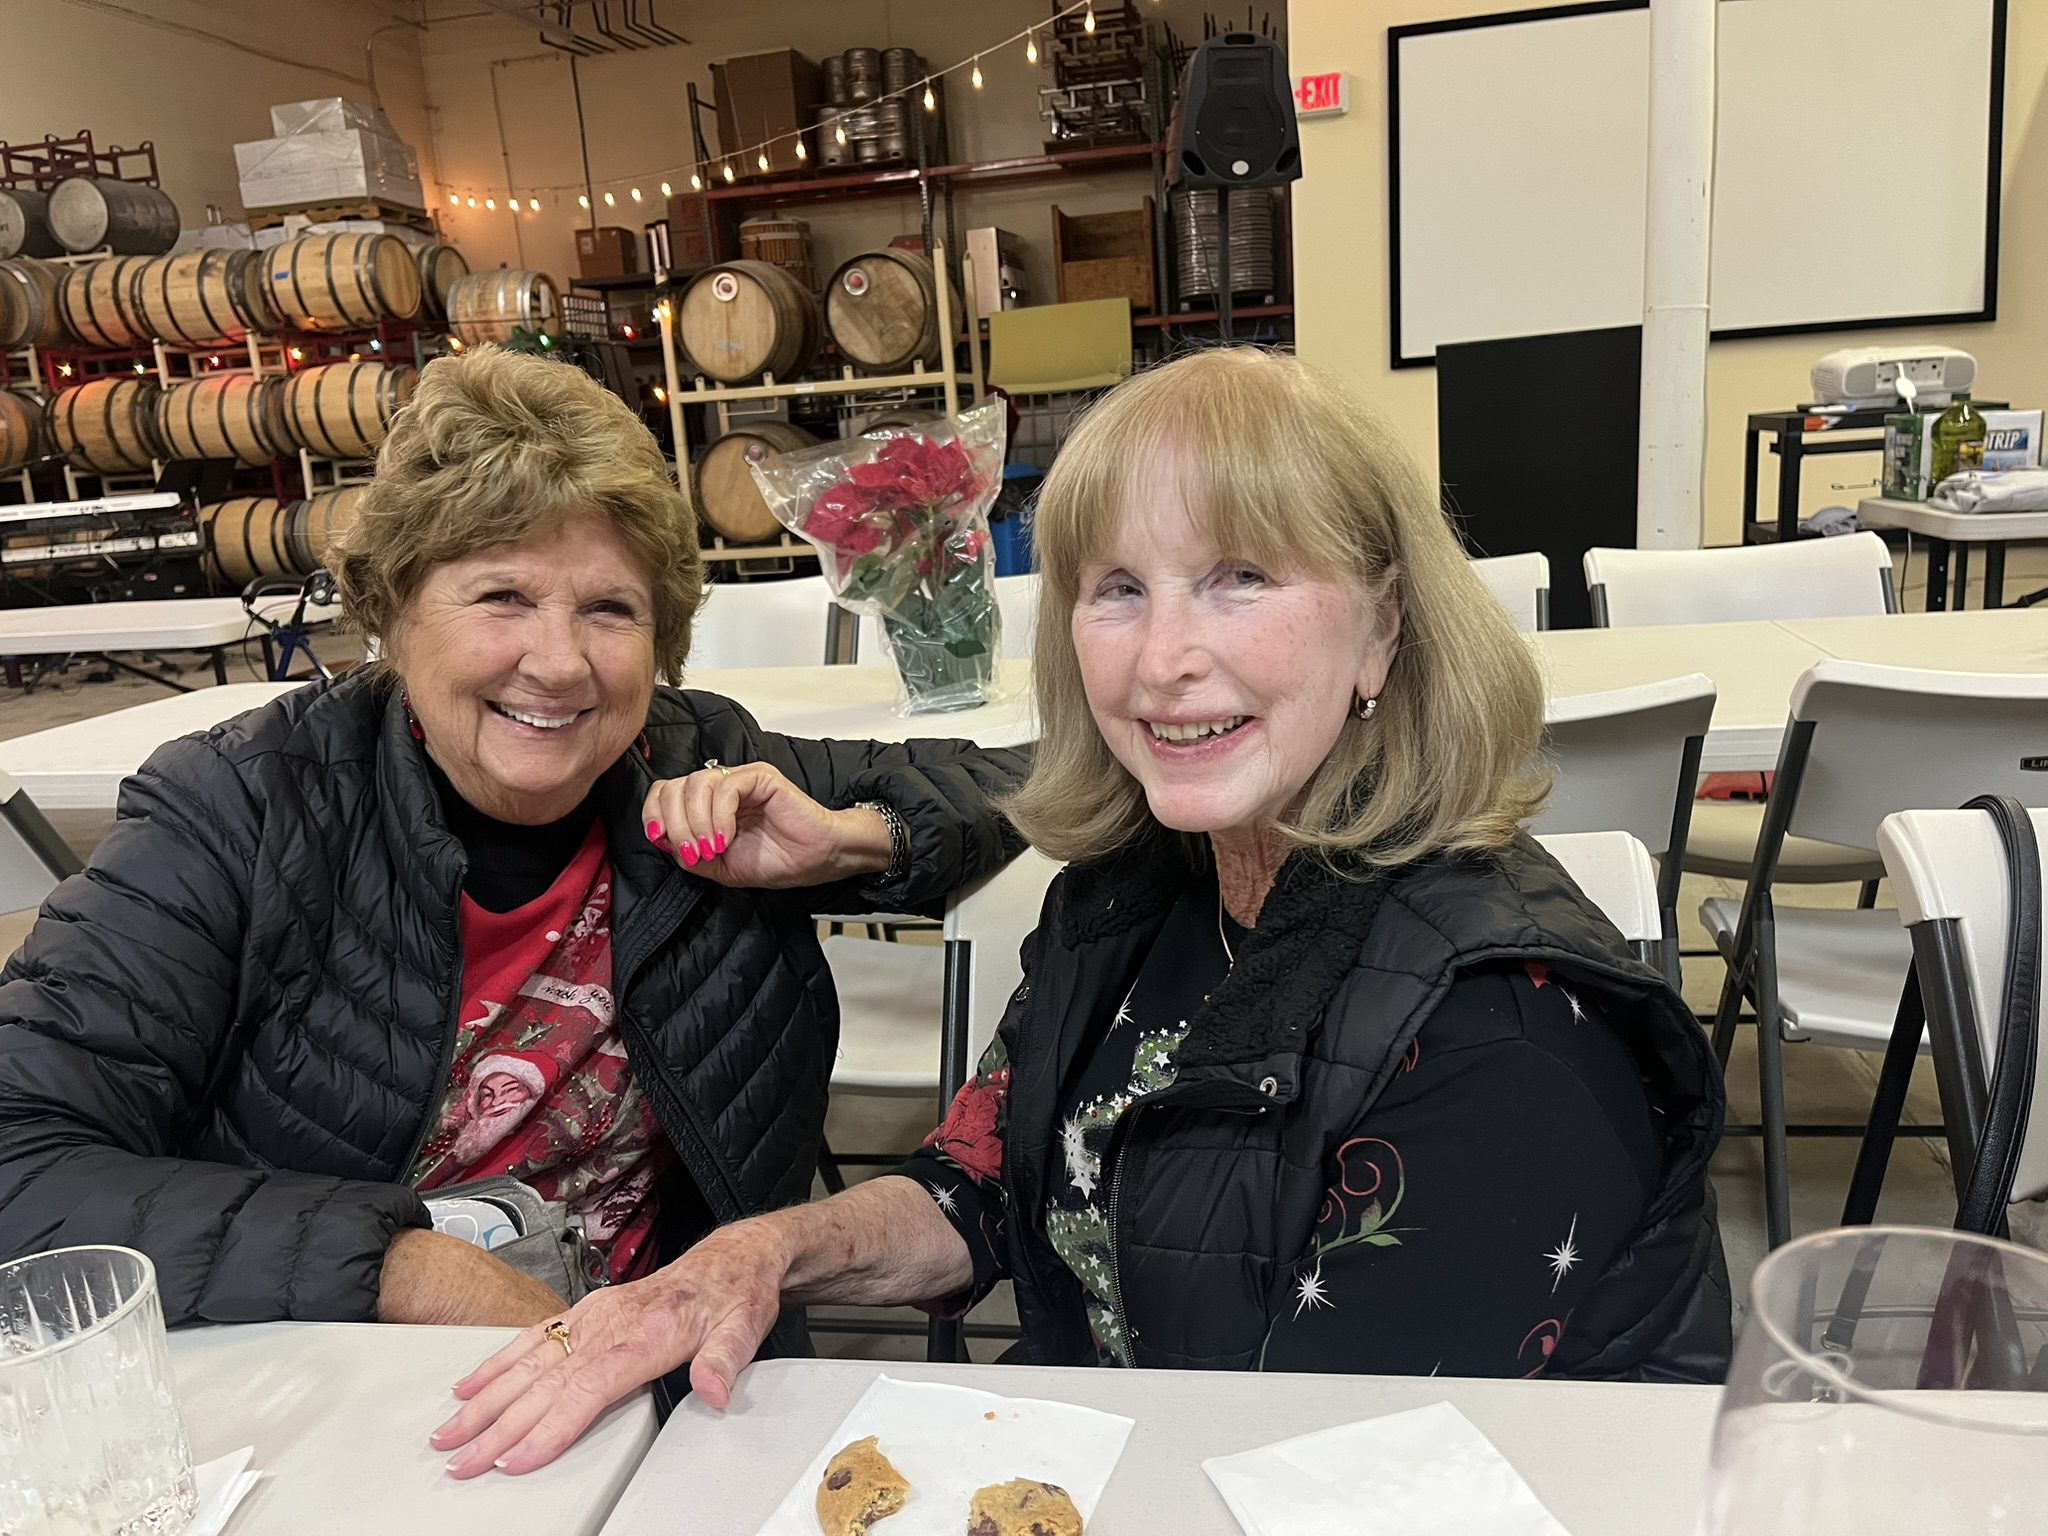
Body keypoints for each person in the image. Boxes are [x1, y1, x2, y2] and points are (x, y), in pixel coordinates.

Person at [434, 348, 1729, 1479]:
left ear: (1382, 628)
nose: (1163, 659)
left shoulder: (1500, 1024)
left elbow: (1330, 1481)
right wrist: (755, 1257)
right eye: (1117, 588)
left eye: (1240, 576)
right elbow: (981, 1187)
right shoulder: (1140, 889)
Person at [0, 346, 1027, 1339]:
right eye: (502, 596)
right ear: (396, 609)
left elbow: (1024, 779)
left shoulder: (693, 759)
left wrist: (857, 840)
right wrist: (401, 1269)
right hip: (341, 1375)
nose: (561, 662)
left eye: (610, 609)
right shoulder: (240, 807)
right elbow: (20, 1159)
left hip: (667, 1371)